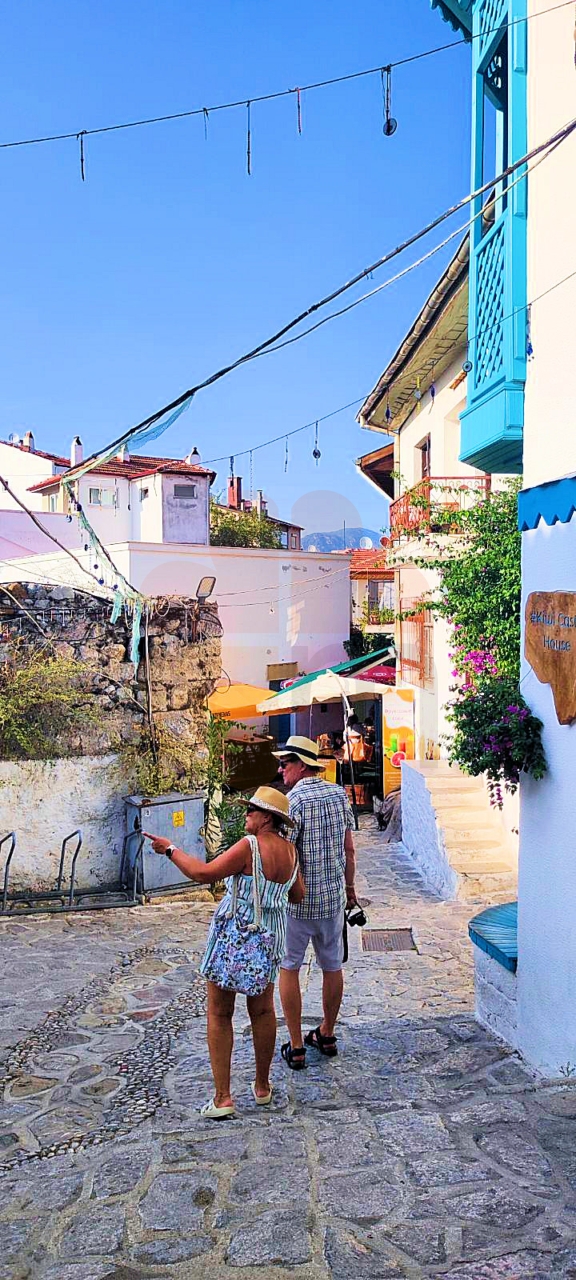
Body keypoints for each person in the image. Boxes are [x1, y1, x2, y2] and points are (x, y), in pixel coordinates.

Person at [145, 785, 305, 1119]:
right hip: (269, 937)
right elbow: (297, 895)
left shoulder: (250, 846)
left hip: (236, 934)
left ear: (266, 818)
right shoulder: (290, 852)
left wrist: (170, 849)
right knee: (262, 1012)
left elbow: (203, 873)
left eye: (251, 810)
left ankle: (222, 1098)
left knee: (220, 1012)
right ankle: (262, 1087)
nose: (246, 815)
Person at [274, 735, 358, 1069]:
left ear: (301, 764)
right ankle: (327, 1032)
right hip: (333, 899)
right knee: (332, 966)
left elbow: (286, 855)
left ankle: (296, 1045)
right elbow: (349, 849)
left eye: (285, 763)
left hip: (298, 905)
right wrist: (350, 889)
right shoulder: (339, 795)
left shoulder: (292, 802)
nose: (281, 770)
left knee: (289, 967)